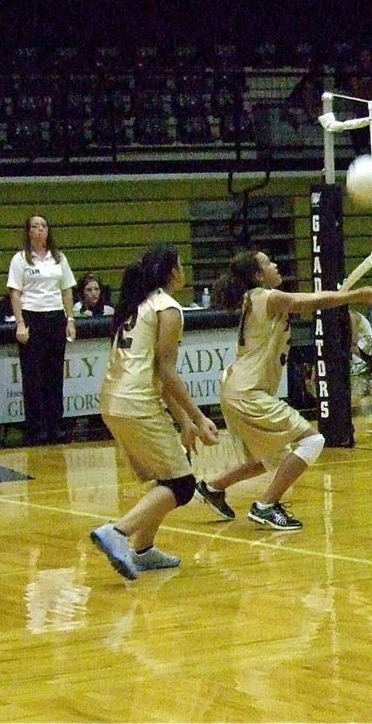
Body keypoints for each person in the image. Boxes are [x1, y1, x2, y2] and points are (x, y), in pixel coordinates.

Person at [193, 250, 372, 530]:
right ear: (258, 275)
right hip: (248, 392)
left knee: (269, 458)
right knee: (312, 441)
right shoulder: (265, 296)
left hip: (237, 390)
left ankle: (212, 488)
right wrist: (356, 295)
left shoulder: (255, 298)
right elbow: (307, 302)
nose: (275, 264)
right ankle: (266, 506)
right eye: (268, 262)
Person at [90, 243, 221, 580]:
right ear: (172, 271)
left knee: (167, 478)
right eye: (180, 264)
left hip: (113, 402)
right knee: (181, 486)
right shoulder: (168, 308)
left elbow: (156, 375)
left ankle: (144, 550)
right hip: (136, 403)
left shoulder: (137, 305)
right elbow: (166, 371)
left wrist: (182, 422)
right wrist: (198, 416)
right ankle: (118, 533)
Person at [6, 214, 77, 445]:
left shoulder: (59, 258)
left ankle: (55, 425)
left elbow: (66, 290)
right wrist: (20, 324)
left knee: (54, 375)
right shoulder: (20, 259)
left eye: (43, 226)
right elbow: (15, 293)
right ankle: (35, 428)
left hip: (55, 317)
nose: (39, 230)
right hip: (31, 318)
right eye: (35, 226)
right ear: (28, 231)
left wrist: (70, 319)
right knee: (33, 376)